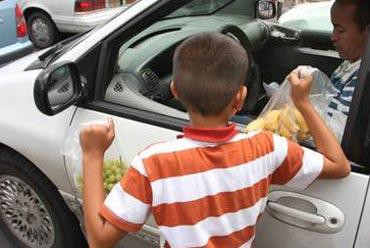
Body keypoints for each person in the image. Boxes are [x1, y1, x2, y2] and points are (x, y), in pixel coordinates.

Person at [79, 32, 350, 248]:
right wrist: (303, 103)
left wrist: (92, 154)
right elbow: (339, 166)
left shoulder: (153, 164)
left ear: (174, 90)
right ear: (241, 97)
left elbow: (99, 240)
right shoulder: (267, 148)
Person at [316, 0, 369, 139]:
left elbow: (337, 137)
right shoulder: (348, 65)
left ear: (367, 32)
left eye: (340, 30)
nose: (333, 37)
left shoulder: (361, 80)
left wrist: (303, 106)